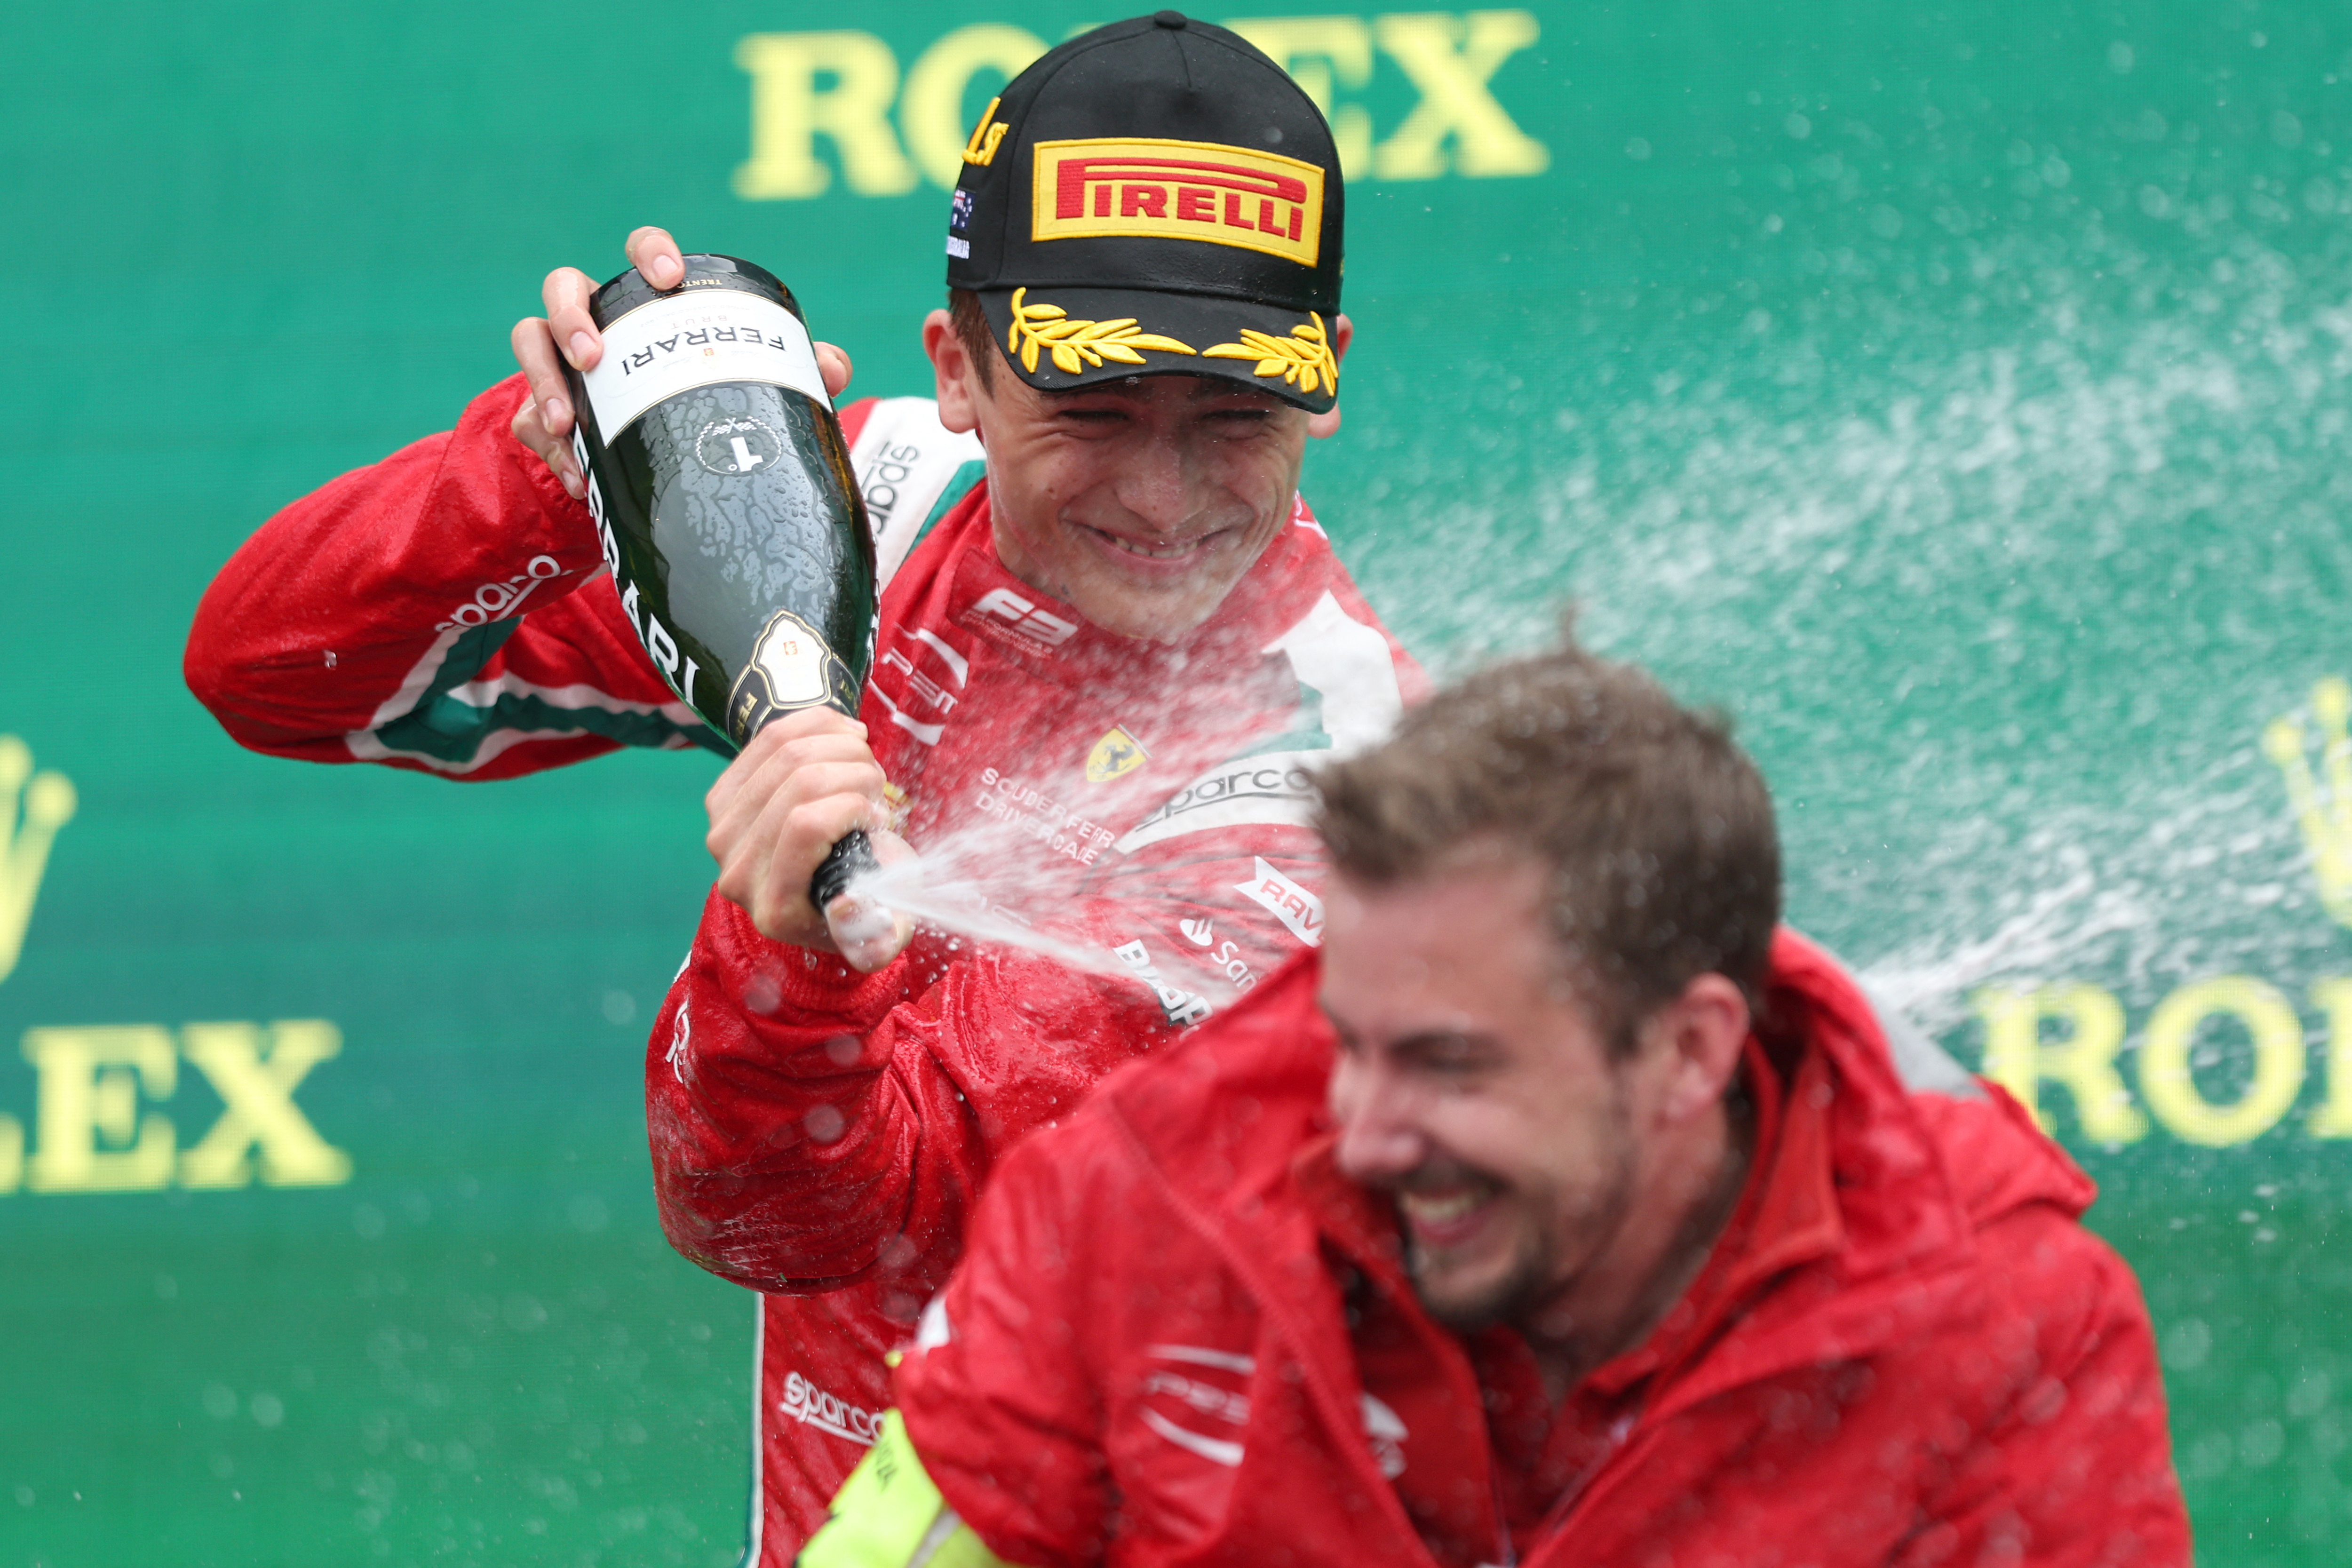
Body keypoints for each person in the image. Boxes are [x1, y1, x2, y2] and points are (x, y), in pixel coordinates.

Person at [184, 15, 1421, 1560]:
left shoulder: (1348, 813)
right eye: (1094, 412)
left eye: (1236, 417)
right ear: (956, 370)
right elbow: (273, 677)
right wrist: (533, 477)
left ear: (1328, 386)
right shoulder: (878, 504)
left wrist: (786, 953)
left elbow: (785, 1220)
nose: (1164, 494)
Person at [805, 638, 2192, 1568]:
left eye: (1454, 1064)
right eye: (1349, 1040)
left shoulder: (2004, 1324)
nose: (1364, 1129)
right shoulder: (1151, 1185)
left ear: (1691, 1053)